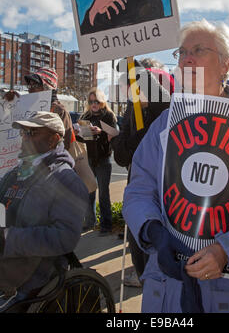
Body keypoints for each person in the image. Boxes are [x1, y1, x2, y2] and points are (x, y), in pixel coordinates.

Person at [122, 19, 229, 313]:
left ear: (226, 63)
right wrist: (152, 228)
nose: (187, 58)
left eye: (199, 49)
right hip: (169, 292)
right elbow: (139, 188)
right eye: (182, 52)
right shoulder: (163, 126)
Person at [0, 111, 89, 312]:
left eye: (32, 133)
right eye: (23, 132)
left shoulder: (66, 181)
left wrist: (8, 239)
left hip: (30, 276)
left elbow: (65, 237)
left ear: (53, 139)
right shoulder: (15, 173)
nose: (24, 137)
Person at [110, 59, 172, 287]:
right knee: (139, 247)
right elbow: (121, 156)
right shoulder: (131, 110)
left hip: (166, 192)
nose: (136, 89)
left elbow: (160, 98)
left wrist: (131, 63)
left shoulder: (165, 109)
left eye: (143, 83)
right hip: (138, 191)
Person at [76, 88, 117, 236]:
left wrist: (101, 132)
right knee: (89, 192)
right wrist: (78, 133)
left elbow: (115, 134)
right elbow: (82, 139)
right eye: (91, 101)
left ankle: (106, 224)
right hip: (89, 158)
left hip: (103, 158)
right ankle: (89, 222)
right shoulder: (85, 116)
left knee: (104, 194)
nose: (94, 104)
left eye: (97, 101)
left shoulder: (109, 116)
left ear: (102, 102)